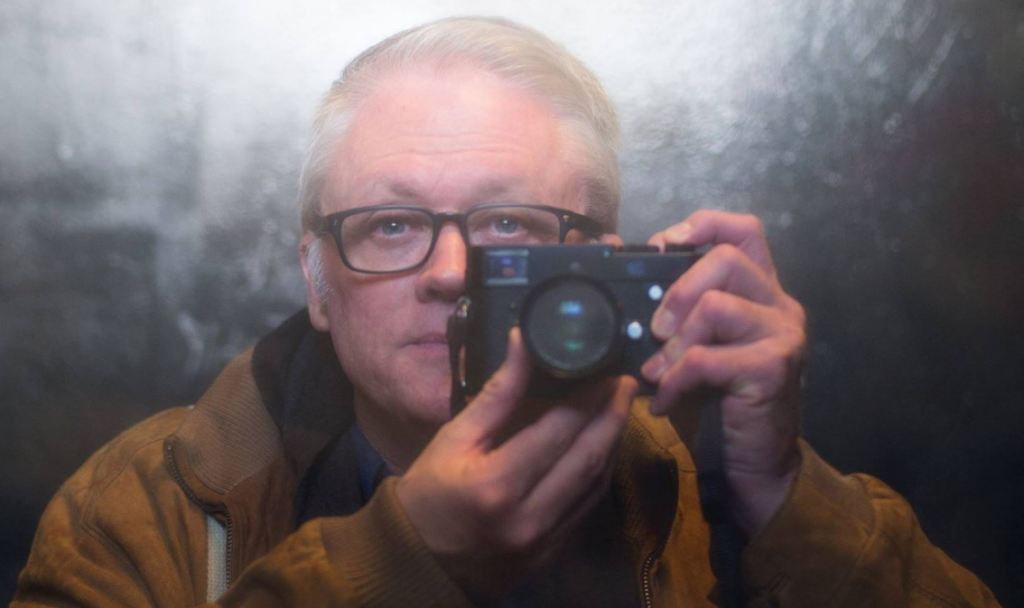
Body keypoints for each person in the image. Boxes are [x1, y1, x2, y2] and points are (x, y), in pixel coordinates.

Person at [13, 16, 1000, 608]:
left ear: (600, 256)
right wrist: (402, 564)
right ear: (316, 279)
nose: (449, 270)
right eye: (391, 222)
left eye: (507, 223)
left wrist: (780, 492)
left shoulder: (706, 488)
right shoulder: (149, 508)